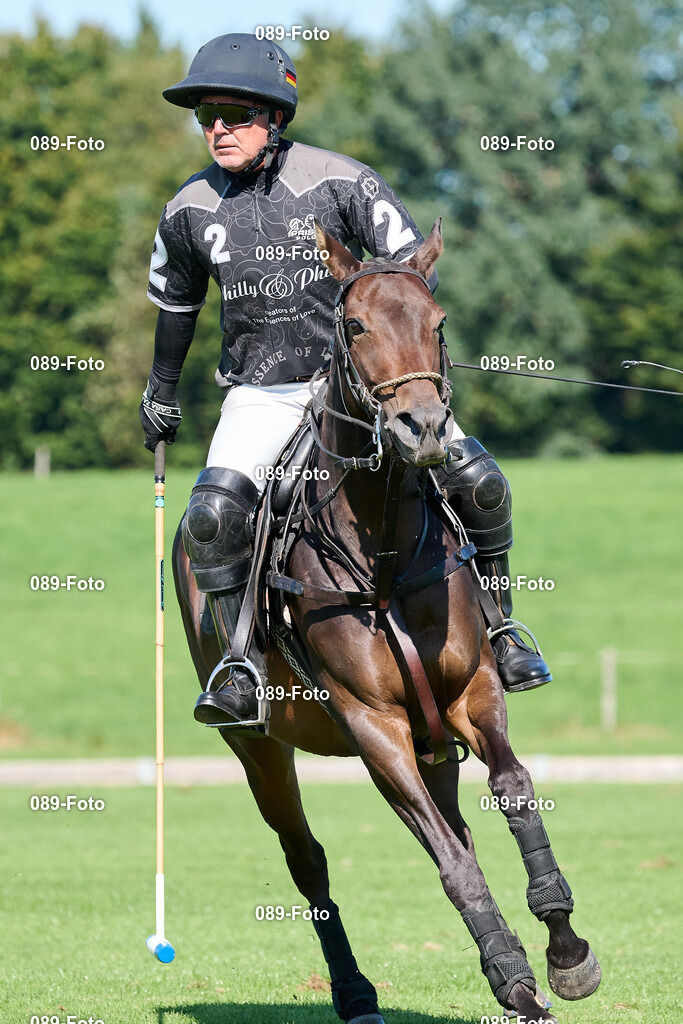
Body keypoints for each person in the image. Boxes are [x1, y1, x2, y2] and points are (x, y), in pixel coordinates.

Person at [139, 33, 551, 728]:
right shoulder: (188, 209)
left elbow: (410, 276)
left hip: (363, 390)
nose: (217, 129)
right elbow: (177, 306)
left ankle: (504, 628)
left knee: (481, 482)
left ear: (275, 118)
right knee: (211, 518)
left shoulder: (342, 180)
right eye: (206, 116)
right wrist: (160, 389)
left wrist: (402, 366)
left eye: (234, 115)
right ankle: (238, 666)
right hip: (261, 392)